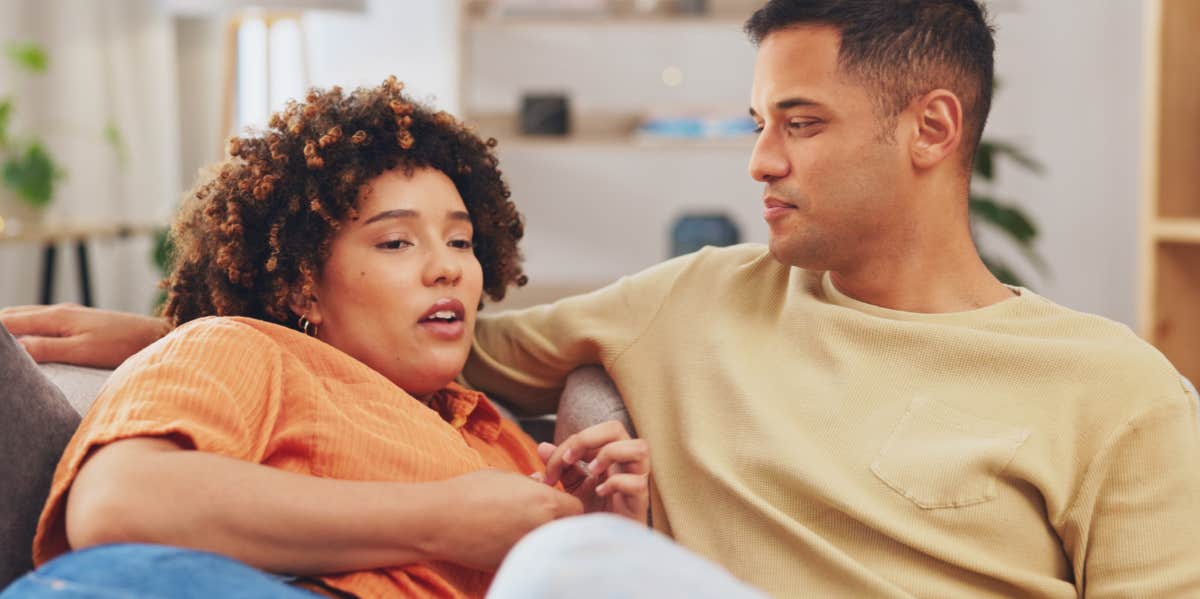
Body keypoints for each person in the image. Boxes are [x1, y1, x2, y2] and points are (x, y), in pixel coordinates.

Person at [5, 1, 1200, 597]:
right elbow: (407, 348)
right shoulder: (689, 299)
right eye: (753, 124)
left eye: (799, 124)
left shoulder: (1115, 388)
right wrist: (192, 328)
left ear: (931, 128)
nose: (758, 163)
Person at [0, 77, 652, 599]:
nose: (448, 265)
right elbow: (117, 503)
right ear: (304, 286)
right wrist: (443, 518)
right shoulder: (242, 349)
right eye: (397, 241)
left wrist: (597, 532)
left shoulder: (495, 432)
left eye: (461, 240)